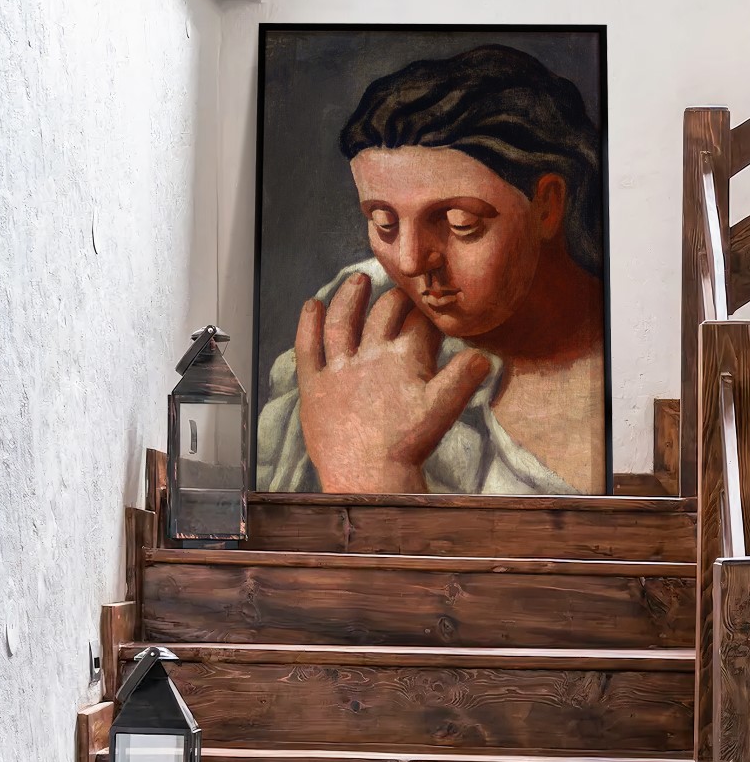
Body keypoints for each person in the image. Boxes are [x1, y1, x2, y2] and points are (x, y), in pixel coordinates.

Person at [256, 43, 608, 495]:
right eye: (383, 222)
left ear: (547, 205)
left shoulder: (618, 368)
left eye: (461, 222)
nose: (410, 260)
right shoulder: (358, 322)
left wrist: (376, 472)